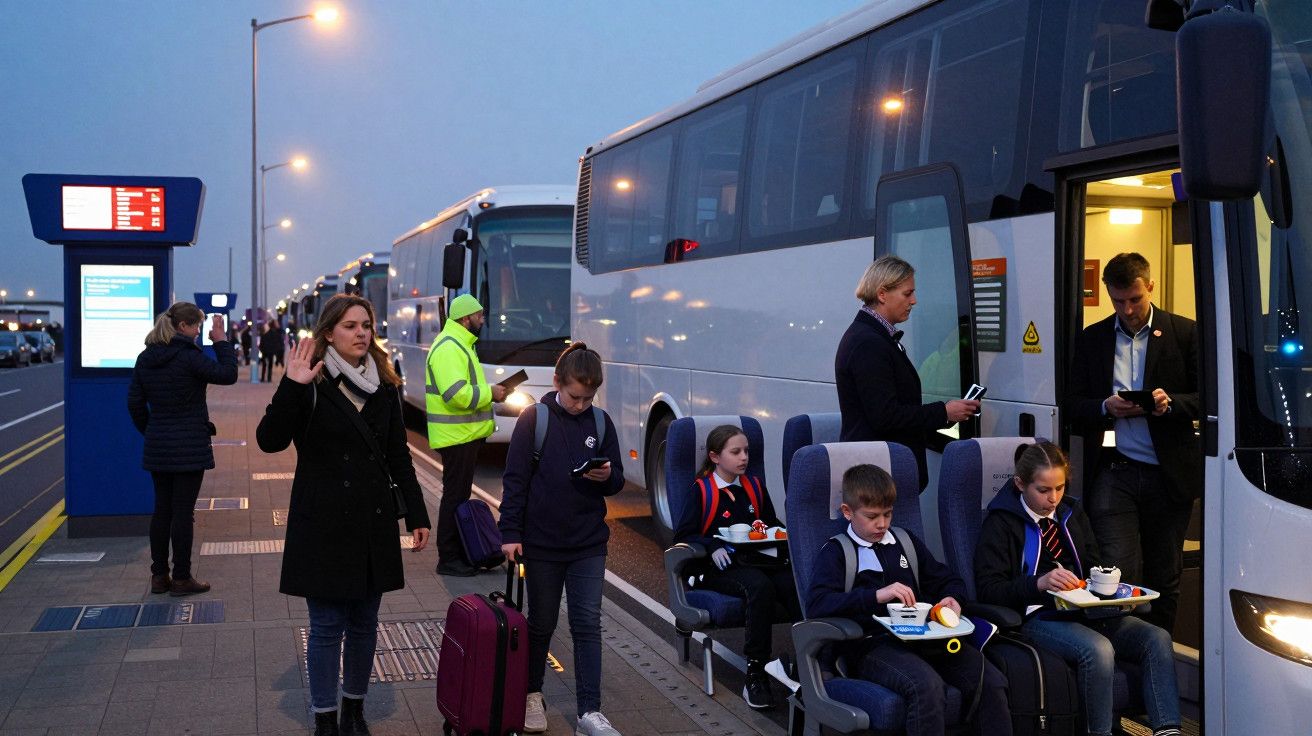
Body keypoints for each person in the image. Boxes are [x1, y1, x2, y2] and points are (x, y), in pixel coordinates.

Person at [256, 294, 431, 736]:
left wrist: (417, 514)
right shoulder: (310, 380)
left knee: (365, 624)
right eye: (350, 326)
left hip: (372, 523)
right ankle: (324, 718)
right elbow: (269, 440)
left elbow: (398, 455)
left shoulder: (385, 385)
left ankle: (354, 710)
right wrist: (291, 385)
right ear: (329, 333)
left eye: (366, 325)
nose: (361, 333)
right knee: (326, 626)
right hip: (323, 524)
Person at [974, 442, 1181, 736]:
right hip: (1038, 616)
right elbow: (989, 589)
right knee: (1099, 649)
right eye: (1043, 490)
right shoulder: (1001, 523)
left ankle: (1167, 729)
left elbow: (1092, 564)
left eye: (1059, 488)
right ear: (1020, 484)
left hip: (1087, 611)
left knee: (1156, 638)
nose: (1053, 498)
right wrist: (1038, 583)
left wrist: (1106, 587)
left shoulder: (1071, 513)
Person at [807, 464, 1010, 736]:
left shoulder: (904, 542)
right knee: (926, 686)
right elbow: (818, 604)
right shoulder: (837, 552)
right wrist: (875, 596)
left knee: (990, 680)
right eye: (872, 516)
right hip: (871, 644)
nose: (882, 524)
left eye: (888, 514)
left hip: (924, 638)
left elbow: (947, 580)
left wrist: (952, 598)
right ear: (847, 512)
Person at [1066, 252, 1200, 632]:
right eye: (1118, 301)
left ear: (1151, 287)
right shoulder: (1093, 338)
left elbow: (1209, 398)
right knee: (1113, 572)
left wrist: (1169, 404)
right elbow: (1072, 403)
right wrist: (1104, 407)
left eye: (1135, 299)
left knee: (1164, 576)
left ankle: (1158, 648)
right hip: (1114, 470)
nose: (1127, 310)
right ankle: (1118, 649)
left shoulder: (1185, 333)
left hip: (1168, 474)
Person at [498, 344, 625, 736]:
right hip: (542, 544)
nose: (580, 405)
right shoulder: (534, 420)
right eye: (574, 396)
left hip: (588, 542)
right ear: (556, 383)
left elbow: (618, 479)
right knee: (541, 623)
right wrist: (510, 534)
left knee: (587, 624)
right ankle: (531, 695)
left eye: (588, 398)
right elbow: (515, 480)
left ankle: (590, 711)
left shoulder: (600, 422)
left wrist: (608, 477)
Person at [672, 424, 800, 710]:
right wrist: (711, 545)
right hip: (717, 567)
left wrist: (782, 534)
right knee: (759, 587)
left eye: (746, 451)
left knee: (794, 584)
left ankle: (809, 662)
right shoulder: (702, 491)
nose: (744, 457)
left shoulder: (754, 487)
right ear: (715, 457)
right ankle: (756, 671)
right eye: (736, 452)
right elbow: (683, 535)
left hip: (755, 559)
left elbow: (769, 523)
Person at [835, 255, 979, 489]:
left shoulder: (873, 336)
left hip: (883, 475)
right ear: (882, 294)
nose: (914, 301)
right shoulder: (868, 343)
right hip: (878, 481)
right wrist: (944, 412)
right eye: (907, 293)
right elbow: (885, 416)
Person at [127, 302, 238, 597]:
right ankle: (181, 578)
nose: (199, 331)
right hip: (189, 447)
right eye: (197, 326)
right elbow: (228, 374)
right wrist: (221, 341)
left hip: (159, 445)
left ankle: (158, 576)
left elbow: (135, 403)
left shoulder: (146, 358)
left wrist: (153, 431)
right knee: (183, 513)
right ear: (183, 327)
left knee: (162, 510)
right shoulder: (189, 357)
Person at [426, 294, 507, 576]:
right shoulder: (450, 347)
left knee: (458, 497)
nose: (482, 320)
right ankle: (448, 558)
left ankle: (460, 553)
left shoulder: (460, 344)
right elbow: (456, 394)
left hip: (462, 435)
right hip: (455, 437)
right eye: (479, 315)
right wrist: (490, 393)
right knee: (454, 497)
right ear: (465, 318)